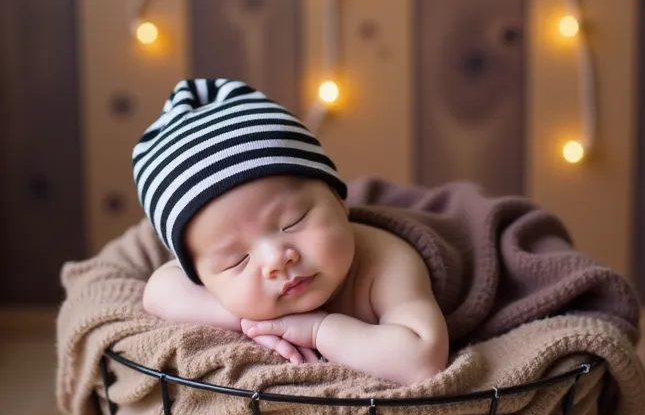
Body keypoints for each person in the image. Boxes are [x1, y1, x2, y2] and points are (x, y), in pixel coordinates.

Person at [134, 78, 449, 386]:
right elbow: (158, 292)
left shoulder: (386, 261)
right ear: (202, 280)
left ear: (340, 201)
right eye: (236, 260)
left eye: (292, 222)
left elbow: (422, 361)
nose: (276, 260)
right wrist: (256, 323)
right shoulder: (216, 285)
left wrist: (317, 330)